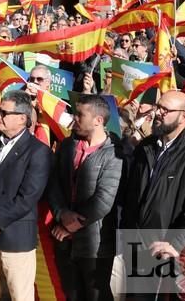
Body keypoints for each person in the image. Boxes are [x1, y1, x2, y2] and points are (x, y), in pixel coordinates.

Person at [120, 91, 185, 296]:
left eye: (165, 110)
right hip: (136, 244)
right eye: (158, 107)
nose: (158, 113)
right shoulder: (147, 147)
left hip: (166, 252)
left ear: (183, 116)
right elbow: (131, 192)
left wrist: (177, 245)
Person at [0, 90, 52, 301]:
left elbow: (28, 197)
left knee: (20, 296)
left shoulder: (38, 151)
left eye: (4, 112)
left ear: (23, 118)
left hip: (15, 238)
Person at [47, 95, 123, 301]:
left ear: (98, 120)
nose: (75, 118)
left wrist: (71, 225)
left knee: (96, 295)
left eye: (80, 115)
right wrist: (61, 214)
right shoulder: (67, 145)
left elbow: (104, 199)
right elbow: (53, 184)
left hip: (95, 244)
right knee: (71, 295)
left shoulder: (114, 153)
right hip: (63, 240)